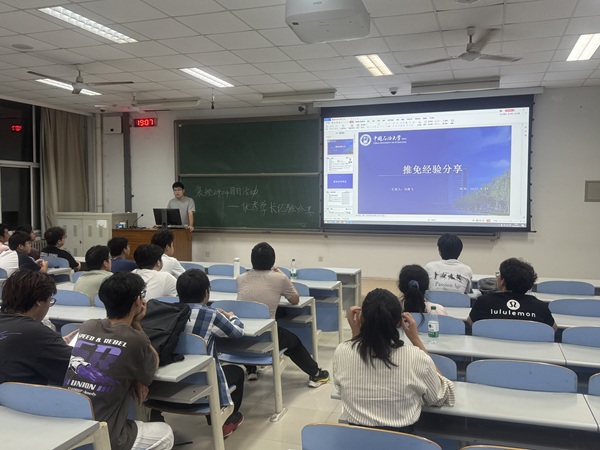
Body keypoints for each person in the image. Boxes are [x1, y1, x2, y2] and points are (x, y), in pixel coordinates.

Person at [64, 272, 174, 450]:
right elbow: (153, 364)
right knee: (166, 433)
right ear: (138, 300)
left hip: (72, 431)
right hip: (105, 437)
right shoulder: (135, 339)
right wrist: (137, 325)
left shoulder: (87, 326)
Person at [333, 288, 455, 433]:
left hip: (357, 440)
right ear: (399, 323)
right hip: (401, 441)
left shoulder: (342, 351)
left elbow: (341, 390)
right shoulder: (416, 357)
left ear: (361, 318)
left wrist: (356, 334)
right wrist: (416, 340)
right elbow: (441, 396)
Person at [236, 242, 329, 386]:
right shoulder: (279, 278)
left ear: (252, 260)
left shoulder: (240, 278)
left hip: (242, 335)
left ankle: (251, 369)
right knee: (294, 343)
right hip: (267, 337)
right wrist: (284, 276)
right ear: (272, 260)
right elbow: (295, 299)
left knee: (253, 321)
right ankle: (316, 374)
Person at [177, 269, 245, 437]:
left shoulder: (169, 312)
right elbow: (237, 333)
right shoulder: (211, 314)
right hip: (203, 382)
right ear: (206, 293)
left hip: (172, 382)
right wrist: (232, 316)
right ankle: (224, 421)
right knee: (237, 371)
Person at [0, 270, 74, 385]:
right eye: (50, 300)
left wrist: (54, 345)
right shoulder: (36, 333)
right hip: (20, 396)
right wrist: (52, 344)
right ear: (39, 301)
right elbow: (78, 370)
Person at [468, 257, 557, 330]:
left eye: (499, 275)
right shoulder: (540, 307)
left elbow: (471, 323)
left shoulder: (484, 302)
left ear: (503, 281)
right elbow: (553, 329)